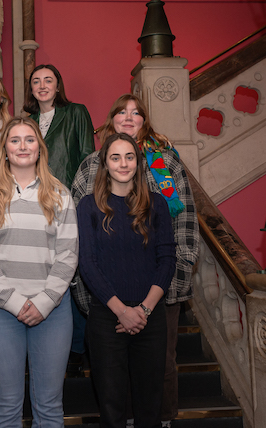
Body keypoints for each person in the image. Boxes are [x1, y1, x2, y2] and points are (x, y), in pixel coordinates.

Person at [71, 93, 199, 428]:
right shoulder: (89, 172)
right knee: (112, 391)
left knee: (157, 382)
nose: (123, 163)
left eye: (137, 112)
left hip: (155, 295)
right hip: (107, 301)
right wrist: (108, 305)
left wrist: (151, 302)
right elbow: (84, 252)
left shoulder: (163, 165)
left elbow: (179, 225)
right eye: (122, 112)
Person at [0, 117, 79, 428]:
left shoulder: (60, 194)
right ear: (5, 149)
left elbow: (68, 254)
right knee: (4, 408)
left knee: (49, 406)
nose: (22, 146)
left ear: (39, 148)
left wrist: (44, 301)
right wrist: (15, 302)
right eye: (14, 140)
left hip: (53, 310)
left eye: (29, 139)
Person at [76, 132, 176, 428]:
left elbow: (167, 260)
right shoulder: (88, 206)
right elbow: (87, 263)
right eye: (115, 157)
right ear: (105, 164)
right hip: (107, 318)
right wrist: (122, 311)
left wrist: (143, 310)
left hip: (151, 316)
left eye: (129, 157)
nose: (123, 163)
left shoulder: (157, 204)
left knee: (150, 408)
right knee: (112, 407)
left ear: (138, 162)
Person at [23, 63, 94, 374]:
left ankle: (77, 347)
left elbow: (89, 159)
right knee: (42, 273)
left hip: (69, 205)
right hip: (32, 210)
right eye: (36, 81)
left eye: (48, 80)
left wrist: (84, 205)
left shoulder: (76, 112)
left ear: (57, 85)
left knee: (70, 274)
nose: (42, 85)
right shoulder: (27, 121)